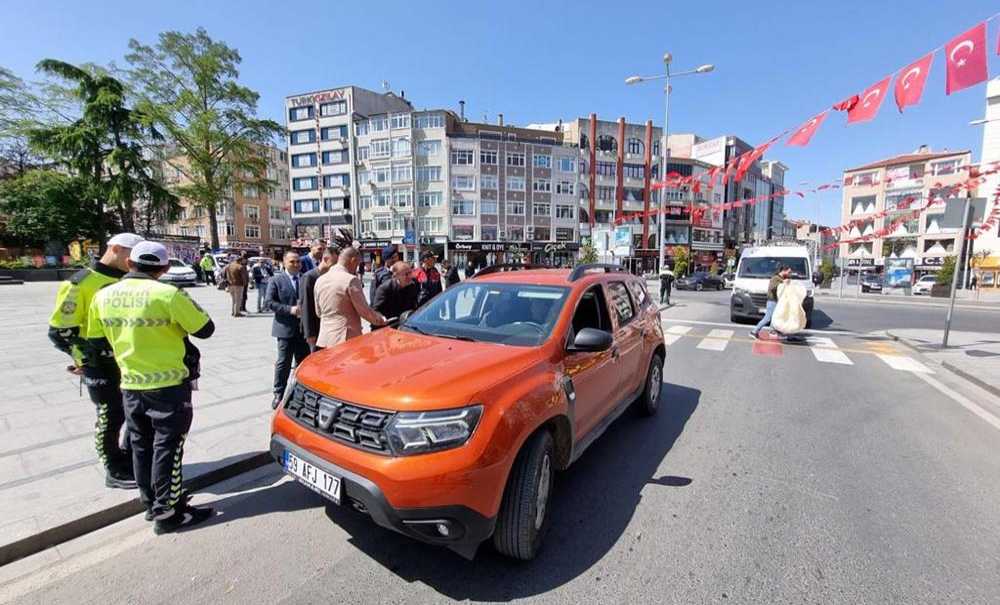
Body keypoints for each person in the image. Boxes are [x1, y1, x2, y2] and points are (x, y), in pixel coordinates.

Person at [87, 241, 215, 534]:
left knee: (140, 445)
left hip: (130, 384)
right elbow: (205, 329)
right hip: (168, 385)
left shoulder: (103, 295)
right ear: (165, 268)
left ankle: (151, 502)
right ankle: (167, 513)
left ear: (130, 264)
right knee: (168, 448)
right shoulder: (168, 294)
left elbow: (95, 342)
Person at [48, 232, 144, 489]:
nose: (132, 259)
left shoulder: (132, 280)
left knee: (136, 414)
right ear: (114, 249)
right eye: (129, 254)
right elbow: (60, 331)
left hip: (133, 360)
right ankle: (113, 467)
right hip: (100, 364)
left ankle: (133, 459)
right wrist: (85, 360)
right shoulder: (81, 283)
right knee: (110, 414)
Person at [314, 247, 387, 349]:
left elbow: (318, 312)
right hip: (345, 338)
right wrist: (380, 320)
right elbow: (364, 311)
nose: (356, 268)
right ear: (353, 260)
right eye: (357, 264)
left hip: (324, 338)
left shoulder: (320, 280)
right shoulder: (351, 280)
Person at [266, 252, 311, 408]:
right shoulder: (276, 280)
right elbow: (269, 302)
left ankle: (301, 393)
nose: (297, 264)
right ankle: (279, 393)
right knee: (283, 362)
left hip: (304, 329)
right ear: (284, 263)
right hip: (285, 329)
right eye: (293, 262)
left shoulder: (305, 278)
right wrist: (290, 310)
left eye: (298, 262)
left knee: (304, 362)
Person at [300, 246, 339, 353]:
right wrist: (309, 333)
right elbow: (306, 306)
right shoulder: (309, 277)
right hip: (315, 329)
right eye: (335, 263)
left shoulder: (330, 277)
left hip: (327, 329)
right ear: (326, 260)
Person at [372, 261, 419, 328]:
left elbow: (415, 306)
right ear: (396, 276)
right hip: (387, 326)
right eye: (406, 274)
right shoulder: (385, 288)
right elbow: (376, 310)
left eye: (410, 273)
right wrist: (382, 318)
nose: (409, 276)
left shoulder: (413, 286)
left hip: (405, 326)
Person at [750, 265, 792, 339]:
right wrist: (783, 282)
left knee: (776, 317)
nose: (790, 274)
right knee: (768, 318)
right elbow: (773, 288)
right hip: (772, 301)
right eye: (789, 272)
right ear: (784, 271)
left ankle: (774, 332)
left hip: (776, 301)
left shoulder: (781, 278)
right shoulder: (775, 278)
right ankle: (754, 331)